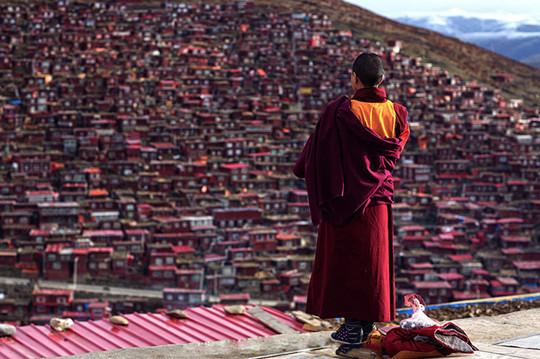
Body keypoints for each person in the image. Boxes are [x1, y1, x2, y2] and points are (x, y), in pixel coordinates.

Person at [292, 52, 410, 355]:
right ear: (382, 80)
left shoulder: (339, 111)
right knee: (372, 263)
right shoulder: (397, 113)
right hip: (379, 202)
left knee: (346, 264)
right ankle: (364, 327)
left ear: (354, 78)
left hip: (343, 201)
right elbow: (392, 150)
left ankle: (354, 329)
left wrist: (309, 171)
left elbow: (310, 156)